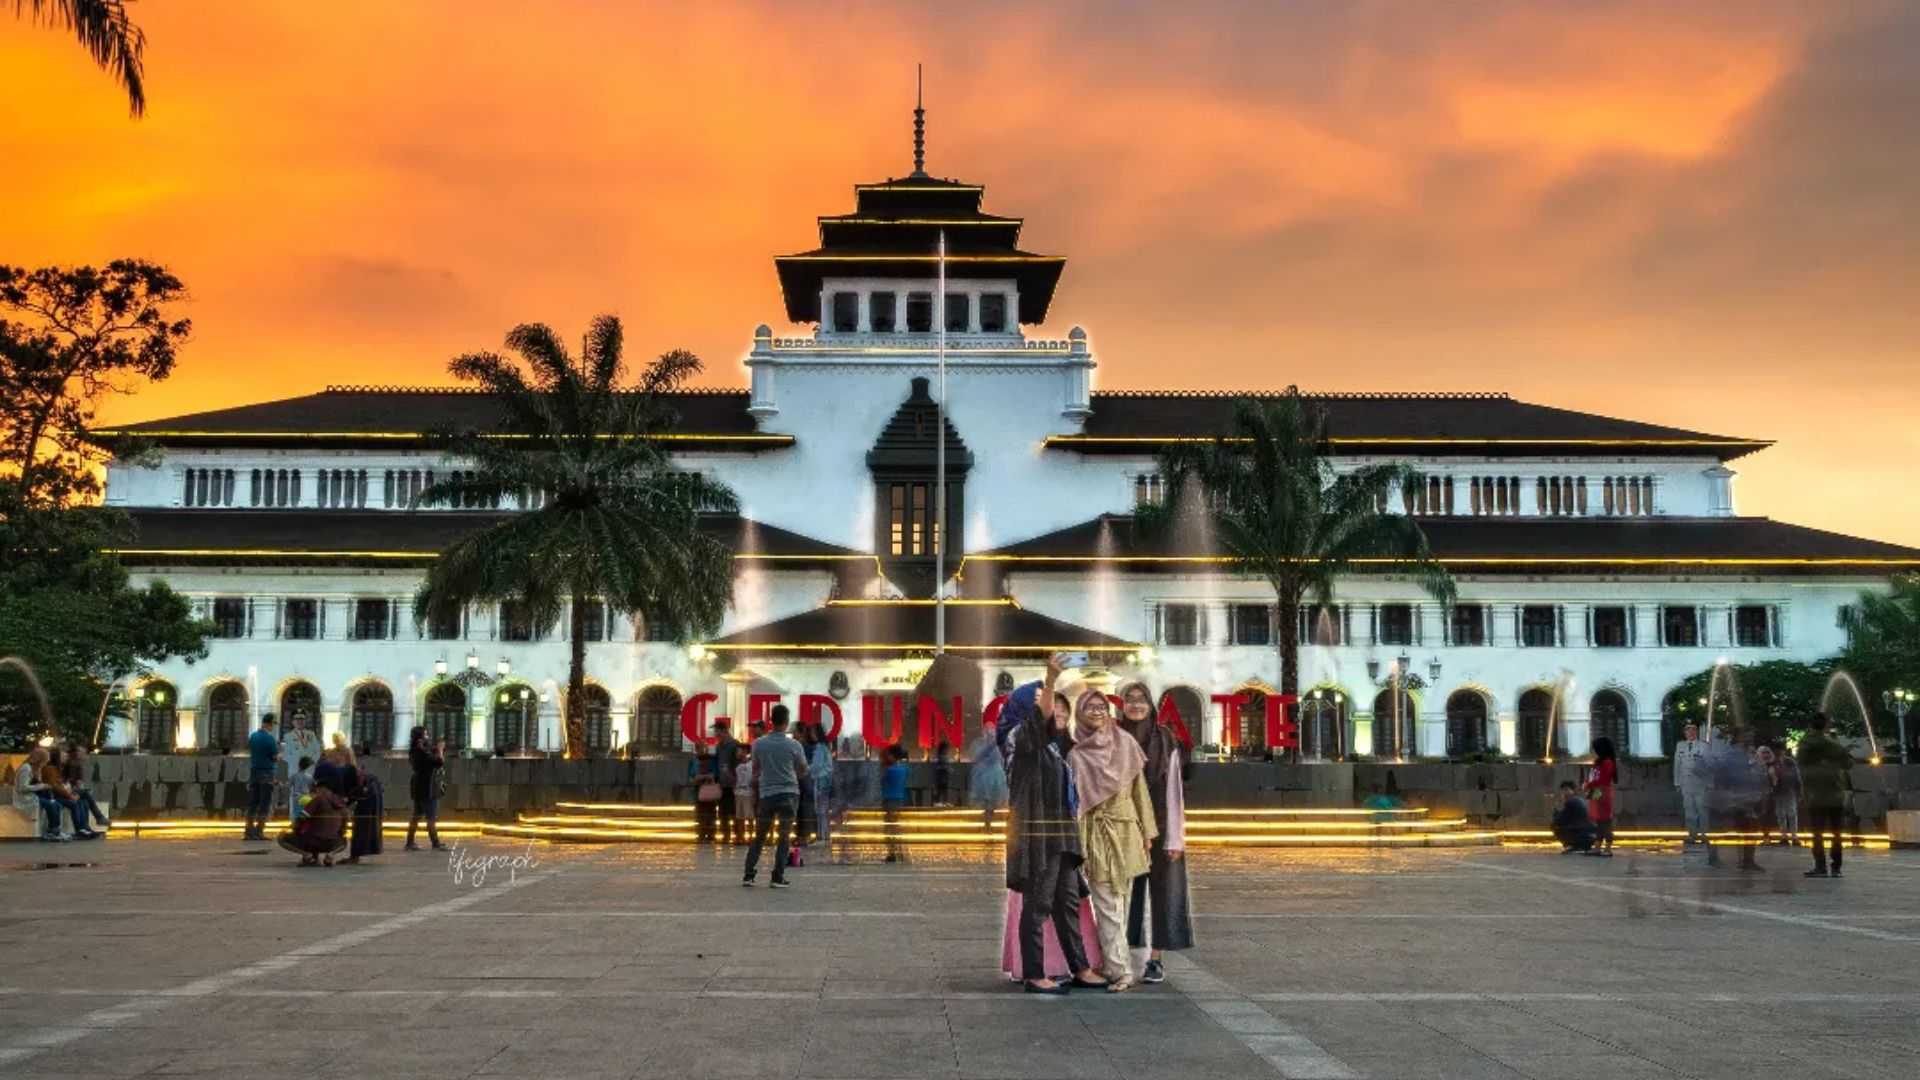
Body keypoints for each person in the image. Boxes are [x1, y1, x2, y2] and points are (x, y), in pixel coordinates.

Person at [1005, 654, 1106, 995]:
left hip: (1061, 834)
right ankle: (1035, 974)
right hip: (1037, 836)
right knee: (1039, 904)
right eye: (1050, 708)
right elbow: (1039, 721)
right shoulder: (1024, 742)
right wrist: (1050, 680)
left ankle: (1080, 967)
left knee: (1067, 902)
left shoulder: (1060, 751)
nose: (1058, 713)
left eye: (1063, 709)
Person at [1069, 686, 1156, 993]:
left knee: (1122, 902)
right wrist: (1078, 845)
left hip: (1126, 829)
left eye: (1101, 706)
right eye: (1089, 707)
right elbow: (1077, 805)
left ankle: (1114, 963)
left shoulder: (1126, 743)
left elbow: (1139, 791)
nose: (1096, 711)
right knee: (1107, 903)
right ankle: (1121, 969)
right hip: (1097, 833)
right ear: (1080, 713)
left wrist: (1147, 832)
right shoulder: (1076, 753)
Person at [1116, 679, 1192, 985]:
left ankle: (1155, 959)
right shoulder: (1113, 737)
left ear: (1151, 705)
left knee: (1163, 890)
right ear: (1122, 704)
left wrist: (1175, 836)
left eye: (1142, 699)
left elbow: (1174, 790)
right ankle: (1118, 954)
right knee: (1120, 892)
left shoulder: (1166, 740)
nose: (1136, 704)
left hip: (1160, 825)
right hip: (1121, 825)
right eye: (1130, 699)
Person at [742, 704, 809, 888]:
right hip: (789, 793)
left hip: (767, 794)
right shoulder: (794, 745)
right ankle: (777, 876)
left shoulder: (758, 744)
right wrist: (794, 774)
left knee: (760, 835)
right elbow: (804, 769)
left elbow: (755, 771)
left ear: (771, 721)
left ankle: (749, 874)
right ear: (786, 722)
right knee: (784, 836)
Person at [1797, 712, 1853, 878]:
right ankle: (1836, 868)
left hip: (1815, 794)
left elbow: (1800, 760)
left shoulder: (1806, 742)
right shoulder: (1834, 744)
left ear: (1810, 724)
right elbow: (1849, 764)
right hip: (1835, 793)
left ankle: (1820, 867)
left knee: (1817, 832)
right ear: (1826, 725)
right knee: (1836, 832)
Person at [1707, 729, 1765, 871]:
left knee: (1749, 829)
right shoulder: (1730, 754)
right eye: (1747, 736)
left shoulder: (1750, 754)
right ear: (1739, 738)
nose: (1750, 739)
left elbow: (1757, 773)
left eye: (1751, 737)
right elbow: (1721, 774)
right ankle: (1715, 857)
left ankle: (1747, 860)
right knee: (1722, 829)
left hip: (1748, 797)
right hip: (1733, 797)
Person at [278, 784, 348, 866]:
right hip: (332, 843)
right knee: (344, 842)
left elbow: (302, 817)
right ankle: (330, 855)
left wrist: (295, 829)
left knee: (281, 837)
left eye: (317, 790)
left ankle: (307, 855)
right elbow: (344, 827)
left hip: (313, 841)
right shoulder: (341, 804)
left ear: (323, 789)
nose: (316, 792)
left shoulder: (319, 799)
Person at [405, 727, 446, 851]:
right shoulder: (421, 752)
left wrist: (436, 748)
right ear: (420, 738)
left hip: (418, 786)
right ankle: (435, 842)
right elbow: (439, 762)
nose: (427, 737)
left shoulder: (414, 751)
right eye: (426, 735)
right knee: (431, 817)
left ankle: (410, 842)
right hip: (427, 787)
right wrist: (440, 750)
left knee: (416, 816)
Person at [15, 747, 69, 841]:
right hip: (25, 798)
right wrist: (41, 786)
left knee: (56, 804)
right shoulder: (26, 768)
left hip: (33, 796)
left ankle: (54, 830)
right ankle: (53, 832)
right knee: (52, 805)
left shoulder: (35, 768)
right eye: (44, 761)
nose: (45, 764)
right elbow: (22, 788)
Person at [280, 712, 323, 824]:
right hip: (295, 770)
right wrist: (297, 764)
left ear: (305, 721)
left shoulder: (311, 734)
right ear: (293, 722)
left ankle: (309, 817)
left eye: (302, 719)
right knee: (294, 794)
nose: (300, 722)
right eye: (297, 719)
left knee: (309, 793)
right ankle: (294, 818)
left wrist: (311, 762)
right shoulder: (287, 736)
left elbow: (317, 751)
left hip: (309, 769)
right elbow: (285, 754)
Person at [245, 715, 280, 842]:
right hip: (267, 773)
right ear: (268, 724)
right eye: (273, 725)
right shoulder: (270, 739)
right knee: (264, 803)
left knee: (253, 803)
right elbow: (275, 757)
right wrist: (279, 756)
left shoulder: (253, 736)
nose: (273, 727)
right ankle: (259, 831)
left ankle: (248, 831)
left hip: (254, 772)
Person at [1673, 723, 1710, 844]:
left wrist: (1709, 783)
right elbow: (1677, 765)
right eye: (1688, 731)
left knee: (1702, 809)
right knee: (1689, 809)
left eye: (1693, 731)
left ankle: (1704, 834)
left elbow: (1709, 765)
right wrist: (1677, 782)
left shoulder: (1703, 746)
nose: (1691, 733)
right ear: (1685, 733)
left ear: (1696, 733)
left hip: (1700, 782)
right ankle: (1692, 834)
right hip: (1686, 782)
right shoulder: (1680, 745)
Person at [60, 742, 110, 830]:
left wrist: (78, 789)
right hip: (64, 791)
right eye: (80, 752)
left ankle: (86, 828)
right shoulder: (69, 764)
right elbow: (63, 781)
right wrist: (75, 789)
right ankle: (98, 818)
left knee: (85, 801)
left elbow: (78, 782)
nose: (83, 755)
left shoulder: (78, 765)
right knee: (85, 795)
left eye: (83, 752)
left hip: (70, 790)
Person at [970, 720, 1009, 830]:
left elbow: (1001, 758)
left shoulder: (997, 744)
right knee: (988, 802)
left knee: (993, 802)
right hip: (986, 776)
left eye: (992, 730)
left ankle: (991, 822)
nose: (990, 732)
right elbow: (978, 757)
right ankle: (988, 824)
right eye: (987, 730)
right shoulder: (980, 744)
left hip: (995, 775)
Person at [345, 753, 384, 864]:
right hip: (369, 806)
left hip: (368, 807)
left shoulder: (364, 780)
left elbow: (357, 792)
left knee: (361, 829)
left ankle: (355, 856)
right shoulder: (368, 779)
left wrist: (347, 802)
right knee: (361, 829)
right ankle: (355, 855)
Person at [805, 720, 835, 849]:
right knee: (823, 811)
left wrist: (805, 768)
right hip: (825, 781)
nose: (811, 734)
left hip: (821, 781)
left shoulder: (819, 748)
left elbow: (816, 766)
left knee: (821, 811)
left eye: (812, 732)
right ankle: (824, 836)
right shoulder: (825, 747)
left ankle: (822, 837)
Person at [1586, 736, 1618, 856]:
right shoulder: (1599, 762)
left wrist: (1589, 784)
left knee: (1605, 821)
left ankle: (1608, 847)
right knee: (1599, 820)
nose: (1593, 751)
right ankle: (1597, 845)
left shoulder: (1608, 763)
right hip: (1596, 792)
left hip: (1603, 792)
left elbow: (1602, 780)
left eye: (1595, 749)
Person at [712, 719, 742, 845]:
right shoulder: (719, 747)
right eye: (715, 732)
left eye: (717, 732)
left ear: (725, 731)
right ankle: (725, 835)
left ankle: (737, 836)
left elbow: (738, 763)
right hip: (722, 784)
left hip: (733, 784)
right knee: (723, 811)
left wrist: (735, 777)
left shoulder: (735, 744)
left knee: (734, 811)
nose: (716, 735)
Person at [881, 743, 909, 863]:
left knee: (889, 827)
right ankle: (900, 851)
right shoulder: (904, 769)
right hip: (900, 800)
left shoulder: (890, 770)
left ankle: (892, 853)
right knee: (896, 827)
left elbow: (883, 782)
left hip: (889, 800)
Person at [1770, 739, 1802, 846]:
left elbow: (1797, 777)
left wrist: (1799, 790)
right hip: (1778, 791)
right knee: (1781, 814)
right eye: (1777, 750)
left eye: (1780, 750)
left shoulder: (1789, 762)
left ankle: (1793, 836)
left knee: (1791, 813)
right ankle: (1784, 835)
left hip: (1789, 790)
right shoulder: (1771, 762)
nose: (1779, 752)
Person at [1552, 781, 1596, 853]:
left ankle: (1573, 846)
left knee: (1555, 826)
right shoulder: (1580, 800)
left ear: (1573, 791)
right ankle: (1579, 846)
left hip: (1583, 835)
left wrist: (1555, 812)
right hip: (1591, 834)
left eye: (1566, 790)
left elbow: (1561, 820)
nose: (1564, 793)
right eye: (1563, 790)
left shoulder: (1570, 802)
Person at [690, 744, 721, 844]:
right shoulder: (693, 761)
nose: (700, 750)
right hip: (698, 791)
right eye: (698, 748)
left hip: (710, 790)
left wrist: (704, 777)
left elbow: (714, 774)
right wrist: (697, 778)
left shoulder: (711, 761)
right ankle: (701, 834)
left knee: (711, 813)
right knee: (700, 814)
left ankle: (711, 835)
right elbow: (691, 776)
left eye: (702, 748)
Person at [733, 744, 756, 847]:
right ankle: (740, 836)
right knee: (739, 816)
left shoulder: (752, 764)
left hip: (748, 792)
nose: (738, 753)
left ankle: (751, 836)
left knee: (750, 815)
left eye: (739, 751)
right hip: (738, 792)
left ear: (746, 751)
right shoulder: (737, 766)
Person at [289, 756, 316, 823]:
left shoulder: (294, 776)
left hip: (297, 797)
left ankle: (296, 827)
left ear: (299, 765)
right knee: (305, 815)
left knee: (296, 814)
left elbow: (287, 785)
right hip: (306, 797)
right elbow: (313, 788)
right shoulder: (310, 777)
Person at [933, 739, 953, 807]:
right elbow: (938, 767)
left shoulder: (944, 757)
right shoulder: (940, 757)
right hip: (941, 777)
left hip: (944, 777)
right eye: (946, 749)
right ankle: (937, 801)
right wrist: (946, 768)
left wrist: (948, 768)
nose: (947, 750)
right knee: (940, 789)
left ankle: (945, 801)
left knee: (944, 789)